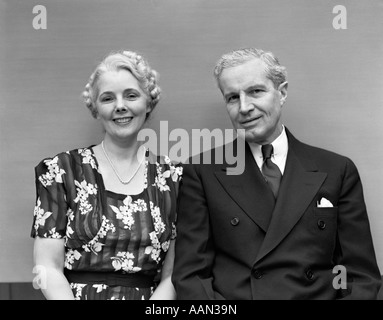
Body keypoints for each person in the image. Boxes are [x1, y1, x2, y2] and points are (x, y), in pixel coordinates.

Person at [172, 47, 382, 300]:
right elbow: (192, 277)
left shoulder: (337, 170)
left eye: (255, 91)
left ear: (281, 93)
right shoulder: (202, 171)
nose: (244, 107)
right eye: (232, 98)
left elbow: (360, 276)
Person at [31, 50, 182, 300]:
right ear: (95, 108)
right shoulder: (62, 170)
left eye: (131, 95)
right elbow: (46, 267)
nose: (120, 106)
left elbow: (173, 274)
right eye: (108, 98)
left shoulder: (174, 178)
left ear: (148, 102)